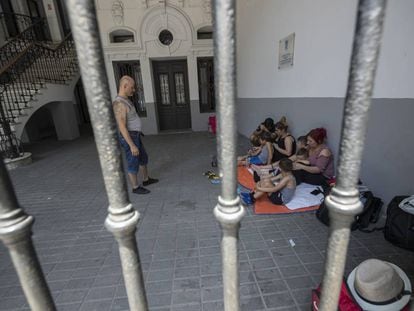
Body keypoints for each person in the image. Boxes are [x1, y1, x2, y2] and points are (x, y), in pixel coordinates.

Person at [113, 75, 158, 194]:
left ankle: (146, 179)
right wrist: (132, 145)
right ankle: (135, 187)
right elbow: (122, 126)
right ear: (124, 86)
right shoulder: (119, 104)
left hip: (136, 135)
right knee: (133, 161)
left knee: (143, 158)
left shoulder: (126, 100)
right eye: (132, 87)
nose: (133, 90)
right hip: (130, 138)